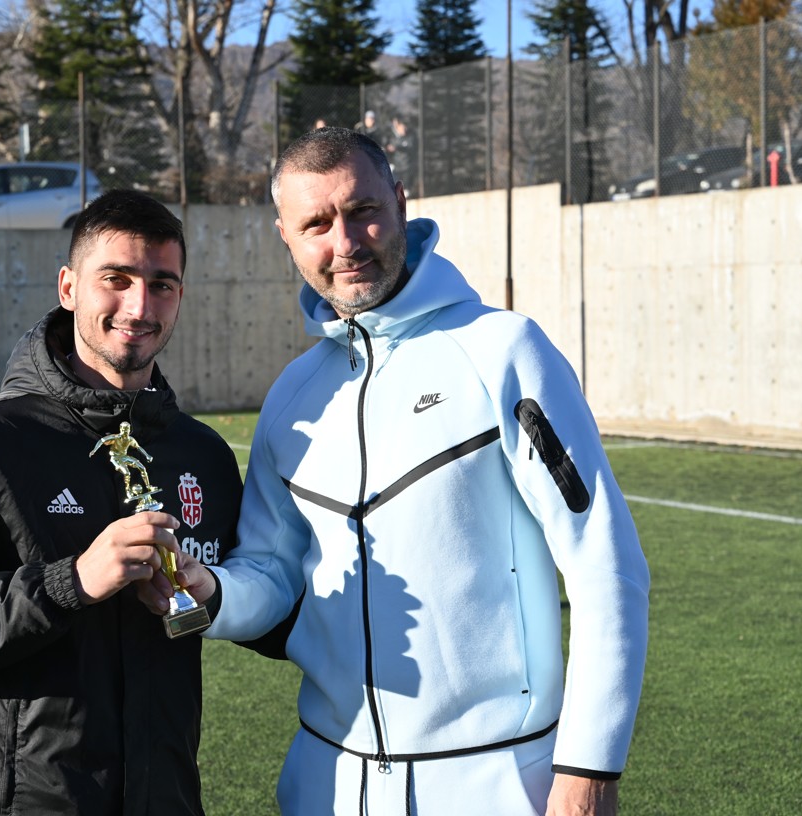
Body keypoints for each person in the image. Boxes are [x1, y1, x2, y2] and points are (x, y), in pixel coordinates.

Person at [154, 128, 650, 815]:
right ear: (286, 237)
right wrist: (208, 593)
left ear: (401, 203)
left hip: (500, 783)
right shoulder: (292, 397)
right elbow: (270, 573)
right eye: (317, 224)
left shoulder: (503, 351)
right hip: (325, 785)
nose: (346, 242)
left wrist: (588, 769)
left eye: (363, 211)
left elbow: (605, 562)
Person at [0, 189, 246, 815]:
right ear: (69, 287)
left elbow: (259, 600)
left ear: (181, 295)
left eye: (161, 284)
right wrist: (69, 583)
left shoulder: (202, 453)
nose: (139, 306)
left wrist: (213, 593)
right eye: (116, 279)